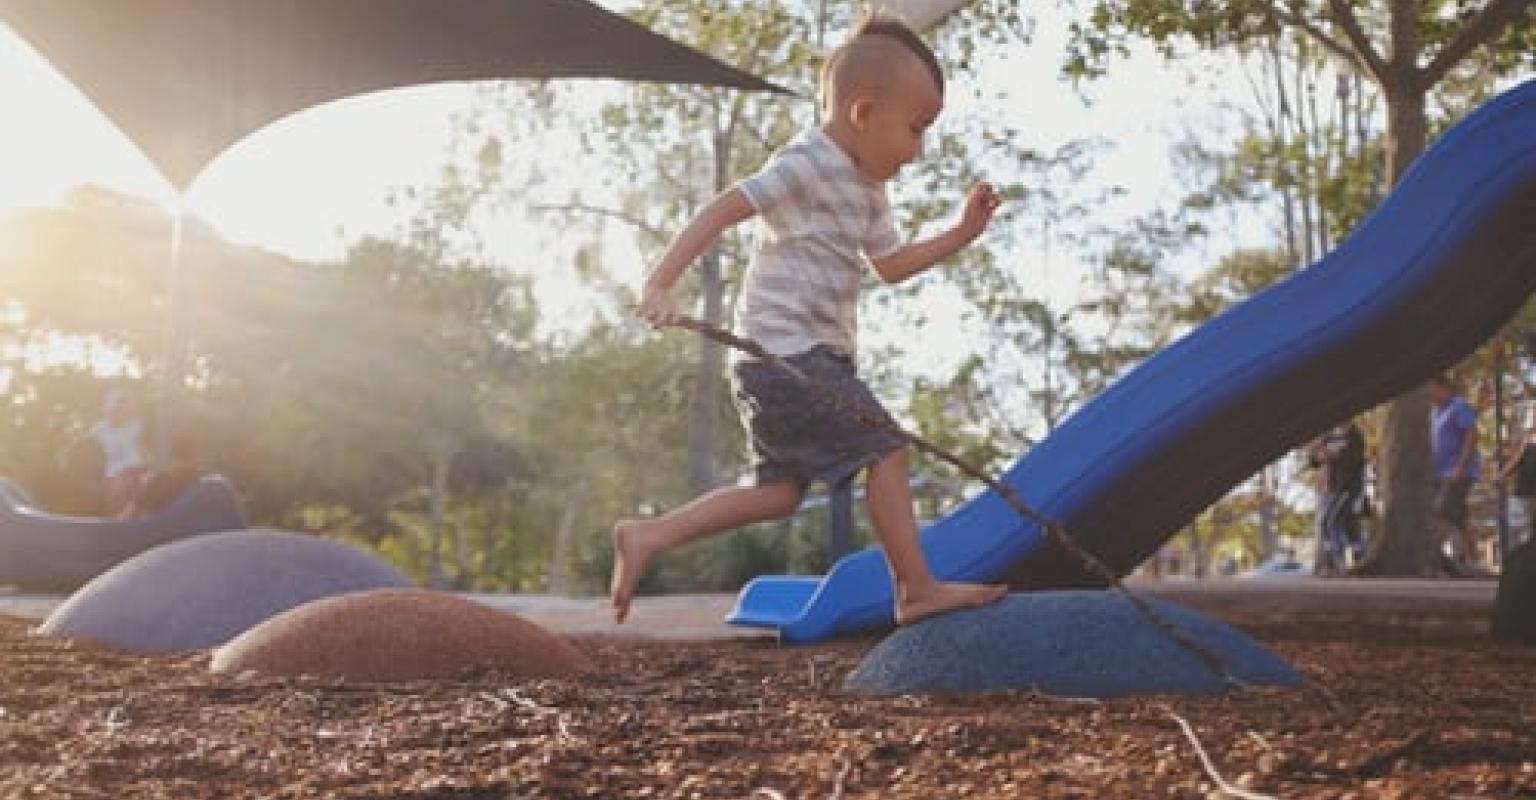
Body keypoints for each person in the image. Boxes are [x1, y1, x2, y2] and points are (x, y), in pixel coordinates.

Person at [611, 16, 1008, 625]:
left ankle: (649, 535)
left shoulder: (870, 191)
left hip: (795, 360)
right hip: (787, 353)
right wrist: (662, 281)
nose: (919, 148)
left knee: (778, 494)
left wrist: (961, 232)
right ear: (863, 112)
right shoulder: (808, 162)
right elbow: (724, 207)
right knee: (888, 450)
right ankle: (916, 587)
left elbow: (892, 266)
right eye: (915, 128)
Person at [1429, 374, 1482, 569]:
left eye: (1431, 390)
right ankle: (1473, 559)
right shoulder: (1434, 411)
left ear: (1443, 387)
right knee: (1460, 518)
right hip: (1439, 473)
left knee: (1442, 511)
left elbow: (1471, 434)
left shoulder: (1458, 406)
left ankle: (1434, 555)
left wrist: (1461, 465)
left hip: (1457, 472)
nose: (1429, 396)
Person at [1306, 419, 1367, 575]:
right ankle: (1335, 562)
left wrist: (1331, 455)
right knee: (1337, 524)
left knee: (1332, 521)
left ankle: (1348, 561)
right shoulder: (1329, 437)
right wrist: (1314, 453)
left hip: (1349, 487)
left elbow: (1354, 460)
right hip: (1332, 489)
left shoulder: (1355, 436)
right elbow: (1315, 462)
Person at [90, 389, 150, 517]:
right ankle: (115, 522)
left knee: (141, 485)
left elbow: (146, 454)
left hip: (136, 473)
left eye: (125, 410)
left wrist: (146, 469)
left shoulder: (137, 427)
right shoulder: (97, 431)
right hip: (110, 476)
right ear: (107, 411)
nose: (121, 413)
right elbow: (89, 458)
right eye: (117, 410)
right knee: (118, 487)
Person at [1494, 402, 1536, 549]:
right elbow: (1517, 460)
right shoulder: (1528, 441)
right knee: (1519, 528)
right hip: (1524, 491)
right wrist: (1502, 474)